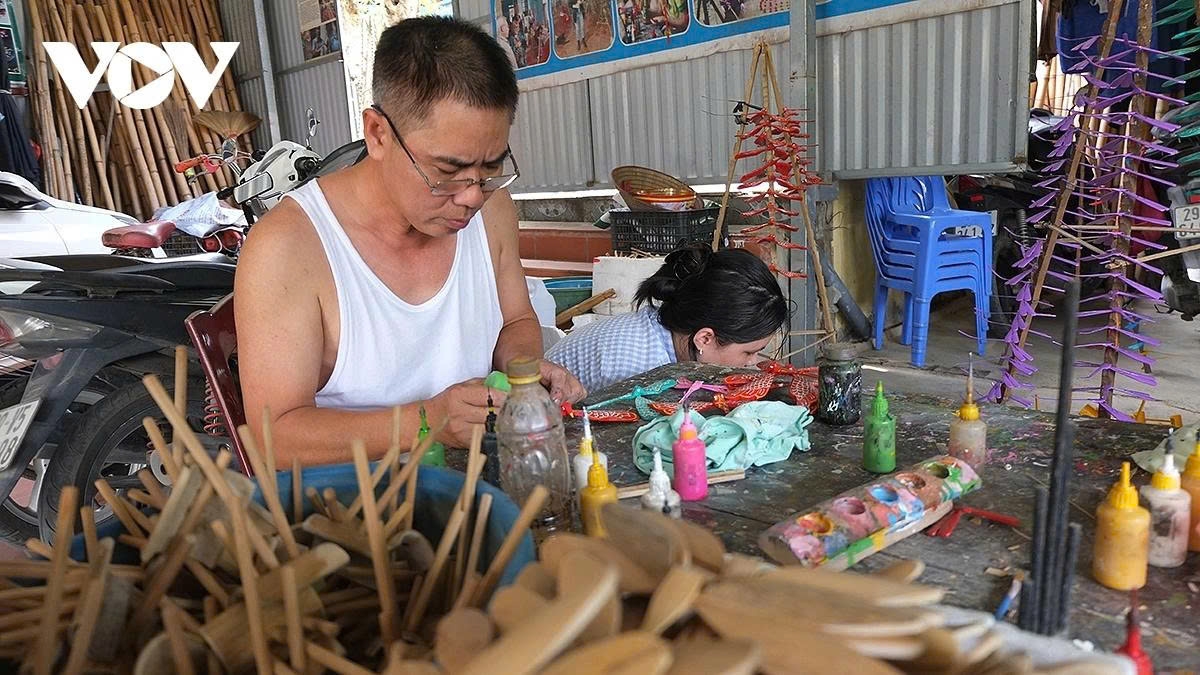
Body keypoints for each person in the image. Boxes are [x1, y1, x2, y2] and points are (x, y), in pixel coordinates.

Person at [235, 17, 585, 467]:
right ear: (378, 134)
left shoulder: (492, 211)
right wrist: (430, 420)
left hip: (481, 484)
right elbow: (272, 439)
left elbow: (516, 319)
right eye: (447, 172)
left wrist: (521, 374)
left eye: (491, 169)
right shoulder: (289, 248)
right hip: (356, 514)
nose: (472, 196)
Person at [546, 244, 789, 392]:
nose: (752, 362)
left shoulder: (665, 328)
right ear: (704, 339)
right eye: (749, 352)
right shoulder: (638, 368)